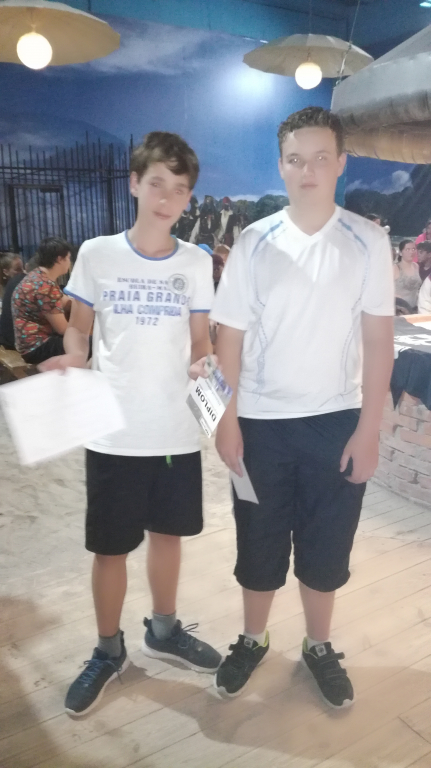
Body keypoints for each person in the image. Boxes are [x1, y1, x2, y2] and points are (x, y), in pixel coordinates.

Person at [210, 106, 394, 708]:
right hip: (259, 423)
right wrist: (225, 419)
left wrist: (370, 429)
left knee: (327, 541)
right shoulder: (253, 242)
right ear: (281, 166)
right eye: (296, 159)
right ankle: (253, 638)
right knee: (258, 540)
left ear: (341, 163)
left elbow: (378, 340)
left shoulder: (367, 241)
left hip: (336, 421)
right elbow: (229, 339)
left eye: (320, 158)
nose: (308, 170)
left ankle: (319, 645)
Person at [41, 131, 221, 717]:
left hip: (174, 431)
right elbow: (79, 328)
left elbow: (200, 340)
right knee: (110, 548)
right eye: (157, 183)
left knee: (169, 536)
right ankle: (107, 649)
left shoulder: (196, 262)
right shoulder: (97, 253)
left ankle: (164, 630)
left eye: (180, 188)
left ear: (189, 197)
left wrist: (203, 363)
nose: (167, 198)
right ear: (135, 183)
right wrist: (75, 355)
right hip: (113, 430)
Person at [12, 238, 71, 364]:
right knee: (91, 344)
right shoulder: (45, 285)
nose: (69, 263)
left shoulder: (37, 275)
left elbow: (65, 301)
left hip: (26, 344)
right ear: (60, 259)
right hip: (37, 347)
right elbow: (63, 329)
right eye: (68, 258)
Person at [0, 254, 39, 350]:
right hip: (14, 339)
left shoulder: (14, 284)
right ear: (5, 272)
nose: (23, 272)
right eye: (17, 269)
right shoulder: (18, 284)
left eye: (22, 268)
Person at [393, 240, 421, 313]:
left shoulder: (416, 266)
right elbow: (384, 288)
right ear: (400, 252)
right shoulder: (395, 268)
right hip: (400, 309)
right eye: (407, 249)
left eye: (413, 249)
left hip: (415, 306)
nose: (411, 252)